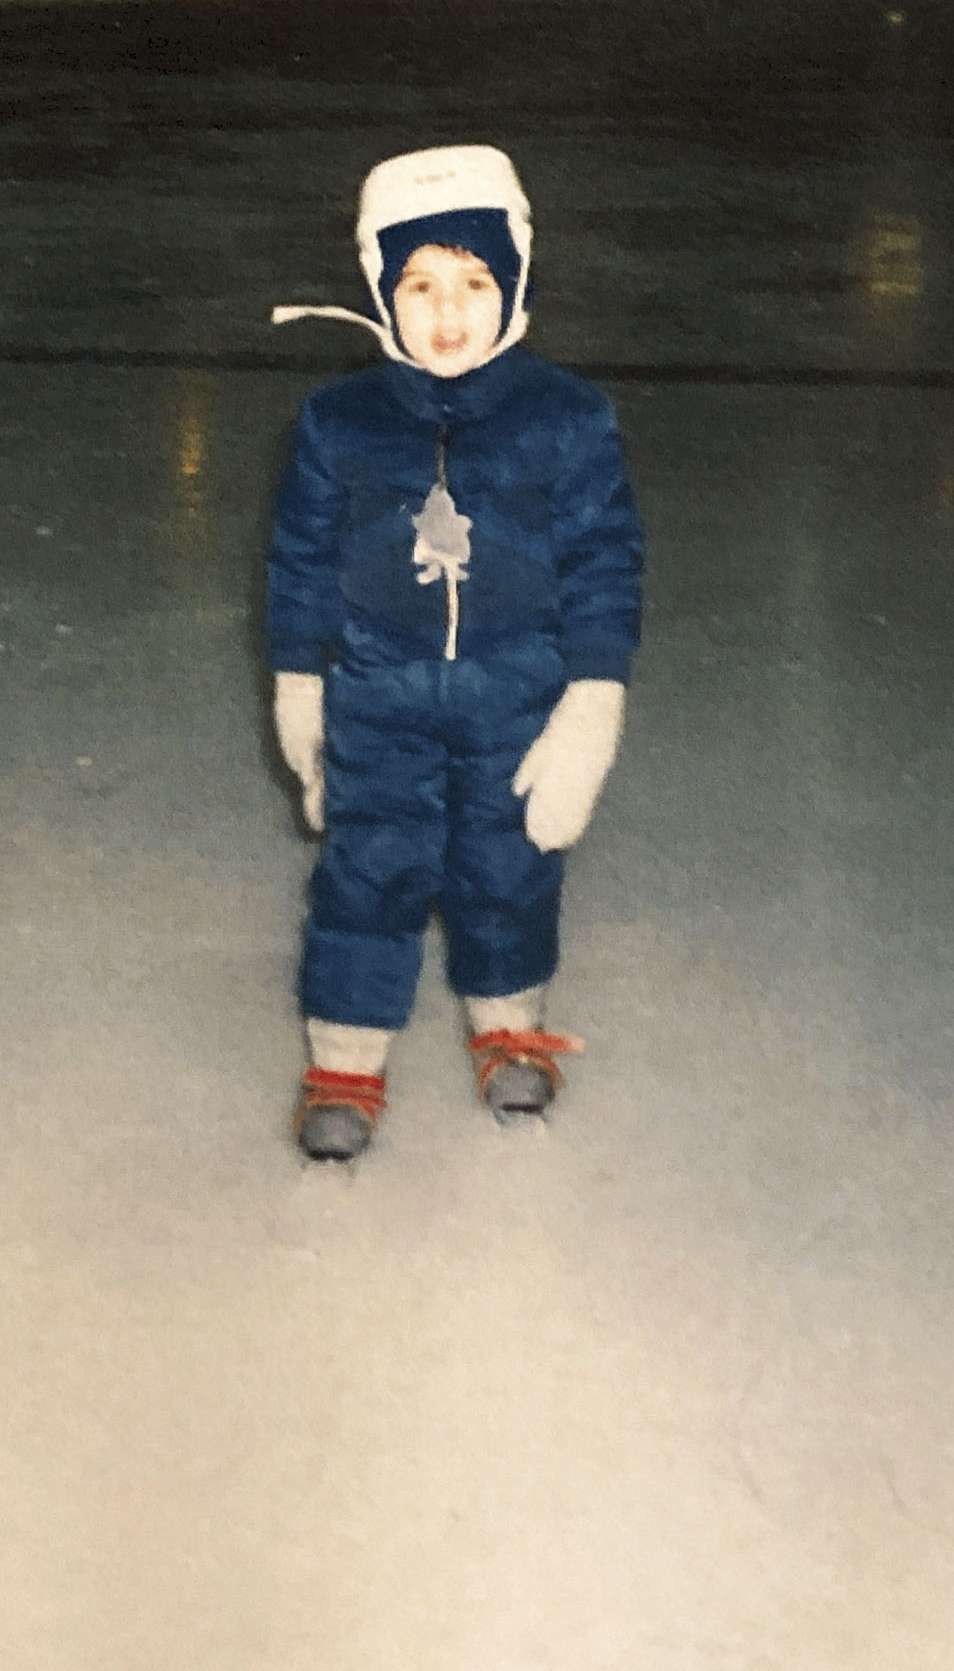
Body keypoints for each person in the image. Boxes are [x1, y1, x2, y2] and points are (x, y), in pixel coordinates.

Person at [267, 144, 643, 1161]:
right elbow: (299, 558)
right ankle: (345, 1052)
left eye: (474, 282)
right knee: (367, 868)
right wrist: (300, 686)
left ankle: (507, 1022)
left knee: (509, 863)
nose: (445, 311)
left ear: (513, 284)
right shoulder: (335, 422)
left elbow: (605, 560)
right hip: (377, 689)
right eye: (416, 283)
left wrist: (591, 701)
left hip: (518, 686)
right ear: (378, 291)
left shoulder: (567, 418)